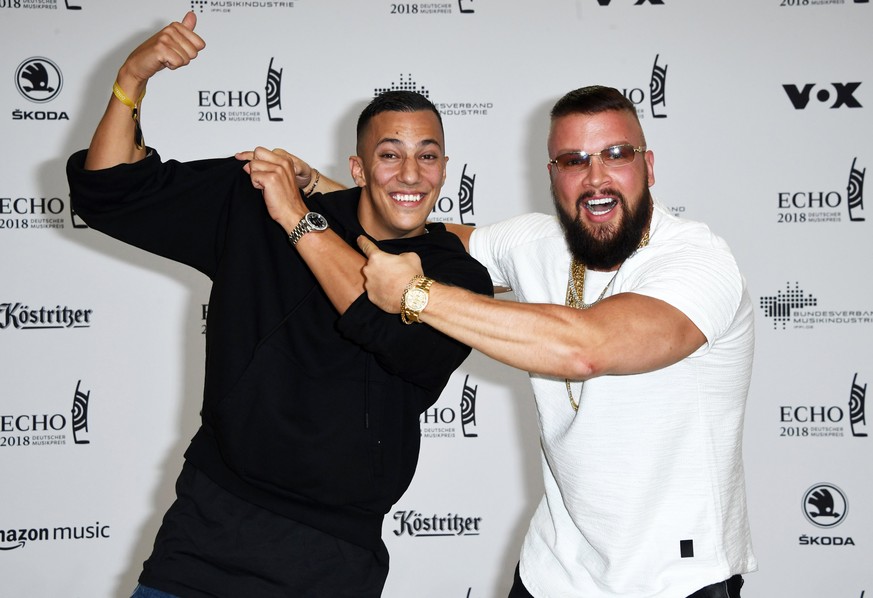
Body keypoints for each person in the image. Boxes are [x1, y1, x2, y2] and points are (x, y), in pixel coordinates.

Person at [66, 12, 491, 598]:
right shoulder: (263, 205)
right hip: (210, 530)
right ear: (359, 168)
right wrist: (132, 79)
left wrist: (297, 215)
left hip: (334, 557)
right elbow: (108, 193)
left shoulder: (455, 274)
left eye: (428, 156)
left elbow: (399, 338)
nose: (410, 173)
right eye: (390, 155)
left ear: (445, 168)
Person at [355, 85, 757, 597]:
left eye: (616, 155)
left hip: (675, 579)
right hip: (554, 573)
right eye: (573, 160)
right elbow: (410, 230)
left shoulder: (699, 261)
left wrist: (415, 294)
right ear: (553, 175)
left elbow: (587, 348)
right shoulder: (537, 241)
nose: (596, 178)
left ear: (648, 166)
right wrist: (317, 194)